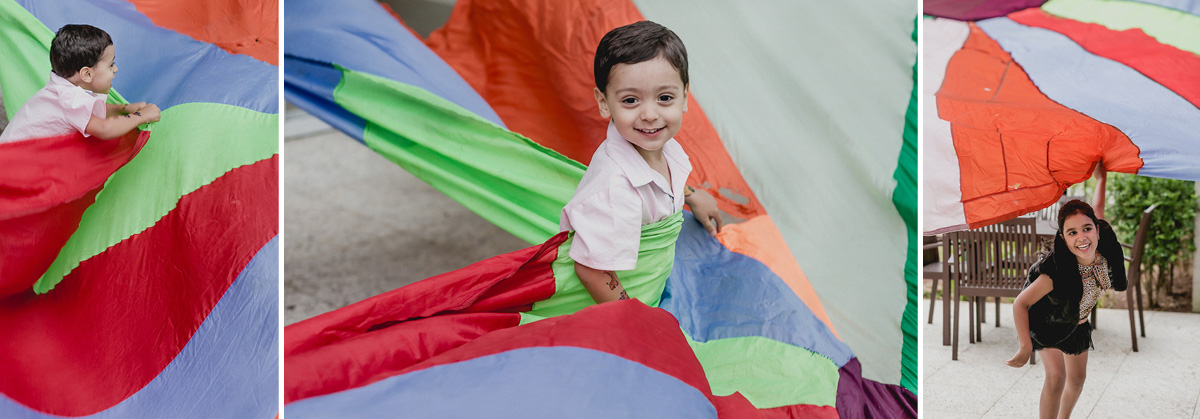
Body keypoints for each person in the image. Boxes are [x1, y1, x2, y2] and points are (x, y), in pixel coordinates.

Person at [558, 20, 722, 305]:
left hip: (653, 282)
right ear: (604, 102)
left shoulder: (660, 145)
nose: (649, 114)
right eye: (631, 100)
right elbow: (592, 270)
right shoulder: (616, 190)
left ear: (685, 96)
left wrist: (691, 196)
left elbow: (660, 181)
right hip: (622, 304)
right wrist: (632, 316)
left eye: (664, 98)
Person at [1005, 163, 1127, 418]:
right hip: (1049, 320)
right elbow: (1020, 303)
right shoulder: (1056, 272)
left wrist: (1101, 178)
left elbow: (1098, 208)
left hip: (1077, 322)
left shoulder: (1104, 249)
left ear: (1096, 229)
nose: (1081, 237)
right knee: (1056, 378)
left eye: (1087, 229)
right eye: (1072, 233)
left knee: (1078, 380)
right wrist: (1025, 346)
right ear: (1063, 238)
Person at [0, 24, 159, 145]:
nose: (115, 69)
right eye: (111, 65)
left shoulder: (61, 89)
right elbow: (105, 129)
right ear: (87, 74)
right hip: (12, 168)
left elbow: (91, 112)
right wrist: (142, 116)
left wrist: (123, 108)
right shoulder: (70, 98)